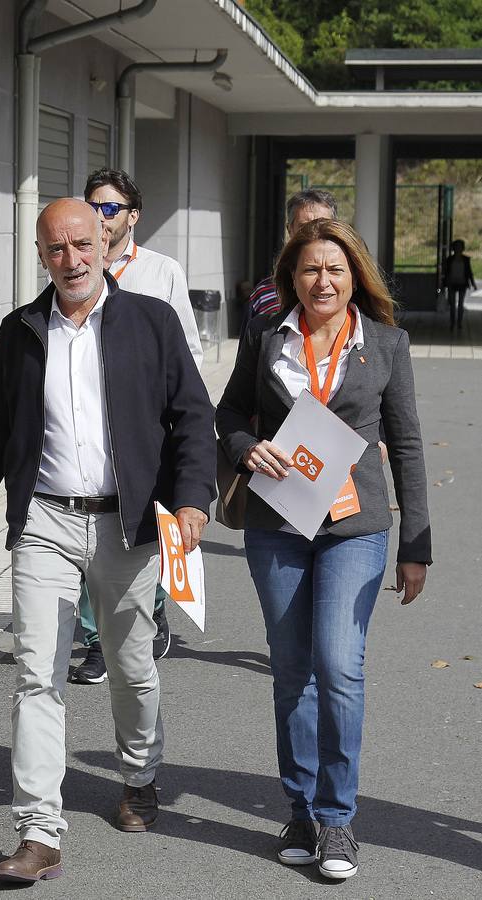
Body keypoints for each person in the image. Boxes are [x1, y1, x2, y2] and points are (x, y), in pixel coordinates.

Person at [0, 199, 216, 883]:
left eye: (82, 244)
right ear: (41, 256)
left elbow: (191, 418)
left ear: (106, 243)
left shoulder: (149, 322)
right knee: (38, 675)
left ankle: (140, 774)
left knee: (131, 667)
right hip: (45, 523)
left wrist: (189, 501)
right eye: (56, 249)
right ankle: (38, 831)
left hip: (127, 524)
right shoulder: (21, 331)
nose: (71, 260)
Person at [216, 218, 431, 881]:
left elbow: (409, 442)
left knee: (337, 666)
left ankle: (337, 818)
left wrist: (416, 544)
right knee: (290, 673)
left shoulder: (386, 343)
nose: (322, 281)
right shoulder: (265, 336)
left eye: (334, 269)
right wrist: (244, 448)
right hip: (278, 523)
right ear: (292, 277)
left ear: (354, 276)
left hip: (354, 527)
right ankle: (300, 810)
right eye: (310, 269)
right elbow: (226, 414)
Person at [69, 168, 204, 685]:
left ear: (133, 217)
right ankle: (97, 641)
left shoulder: (161, 271)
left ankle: (154, 607)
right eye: (93, 206)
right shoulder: (74, 264)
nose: (101, 218)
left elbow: (186, 352)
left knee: (148, 534)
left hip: (148, 431)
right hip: (88, 432)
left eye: (110, 209)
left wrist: (187, 424)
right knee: (87, 537)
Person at [239, 189, 338, 343]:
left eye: (322, 226)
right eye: (304, 228)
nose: (314, 234)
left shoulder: (348, 291)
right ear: (289, 230)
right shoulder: (263, 295)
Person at [442, 238, 477, 331]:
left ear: (462, 248)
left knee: (461, 304)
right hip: (451, 283)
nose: (458, 249)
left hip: (462, 283)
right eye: (456, 247)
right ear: (454, 248)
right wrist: (444, 283)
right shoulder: (450, 259)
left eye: (460, 247)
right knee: (452, 304)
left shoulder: (466, 259)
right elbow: (446, 272)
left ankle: (459, 322)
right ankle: (452, 322)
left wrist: (473, 283)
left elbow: (469, 272)